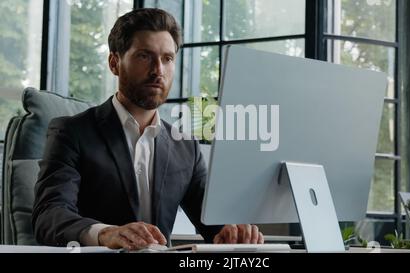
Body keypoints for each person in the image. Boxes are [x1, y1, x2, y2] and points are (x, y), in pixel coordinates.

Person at [32, 8, 264, 250]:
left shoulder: (186, 146)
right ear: (114, 63)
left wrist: (232, 232)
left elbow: (213, 223)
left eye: (167, 58)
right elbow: (48, 215)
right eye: (144, 56)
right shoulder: (71, 132)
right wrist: (106, 234)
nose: (158, 70)